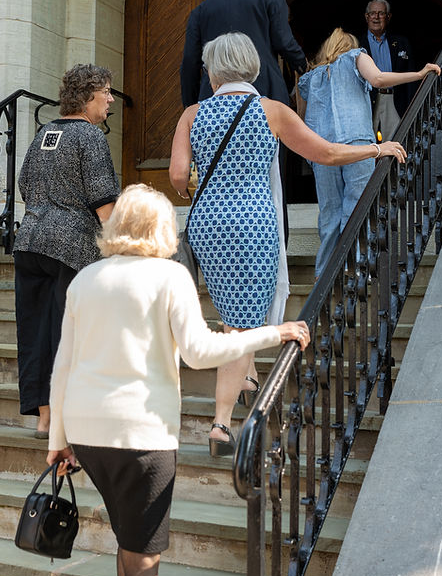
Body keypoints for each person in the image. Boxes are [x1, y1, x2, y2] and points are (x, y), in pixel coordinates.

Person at [46, 184, 310, 576]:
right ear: (163, 227)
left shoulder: (85, 280)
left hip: (87, 432)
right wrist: (273, 333)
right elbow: (200, 352)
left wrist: (58, 439)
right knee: (145, 563)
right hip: (142, 436)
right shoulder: (170, 276)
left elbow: (63, 367)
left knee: (130, 544)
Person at [167, 33, 407, 455]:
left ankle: (247, 377)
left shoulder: (192, 114)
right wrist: (376, 148)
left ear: (213, 71)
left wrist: (200, 188)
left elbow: (176, 177)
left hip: (207, 224)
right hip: (253, 223)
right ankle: (221, 424)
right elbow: (327, 153)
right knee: (242, 324)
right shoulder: (270, 111)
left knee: (234, 313)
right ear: (253, 67)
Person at [13, 63, 120, 436]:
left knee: (35, 333)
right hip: (71, 248)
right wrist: (125, 249)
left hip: (30, 242)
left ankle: (45, 416)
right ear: (88, 96)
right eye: (106, 92)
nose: (110, 100)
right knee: (67, 333)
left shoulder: (45, 133)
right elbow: (104, 201)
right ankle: (62, 417)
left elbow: (25, 184)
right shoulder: (90, 137)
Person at [298, 28, 441, 278]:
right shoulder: (356, 55)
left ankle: (325, 276)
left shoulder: (310, 77)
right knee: (357, 209)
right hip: (357, 144)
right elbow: (378, 79)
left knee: (330, 215)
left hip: (321, 150)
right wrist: (418, 74)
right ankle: (353, 272)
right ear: (348, 44)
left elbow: (301, 120)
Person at [179, 0, 307, 237]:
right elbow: (284, 41)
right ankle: (274, 241)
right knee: (272, 174)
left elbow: (190, 61)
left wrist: (192, 106)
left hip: (212, 98)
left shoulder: (202, 9)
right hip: (264, 96)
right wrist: (305, 66)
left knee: (215, 172)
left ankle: (217, 240)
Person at [359, 0, 415, 140]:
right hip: (367, 99)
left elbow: (410, 77)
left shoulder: (402, 43)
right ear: (366, 17)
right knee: (364, 143)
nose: (376, 17)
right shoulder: (356, 43)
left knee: (395, 142)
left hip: (394, 99)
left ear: (388, 17)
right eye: (372, 13)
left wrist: (411, 106)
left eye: (381, 13)